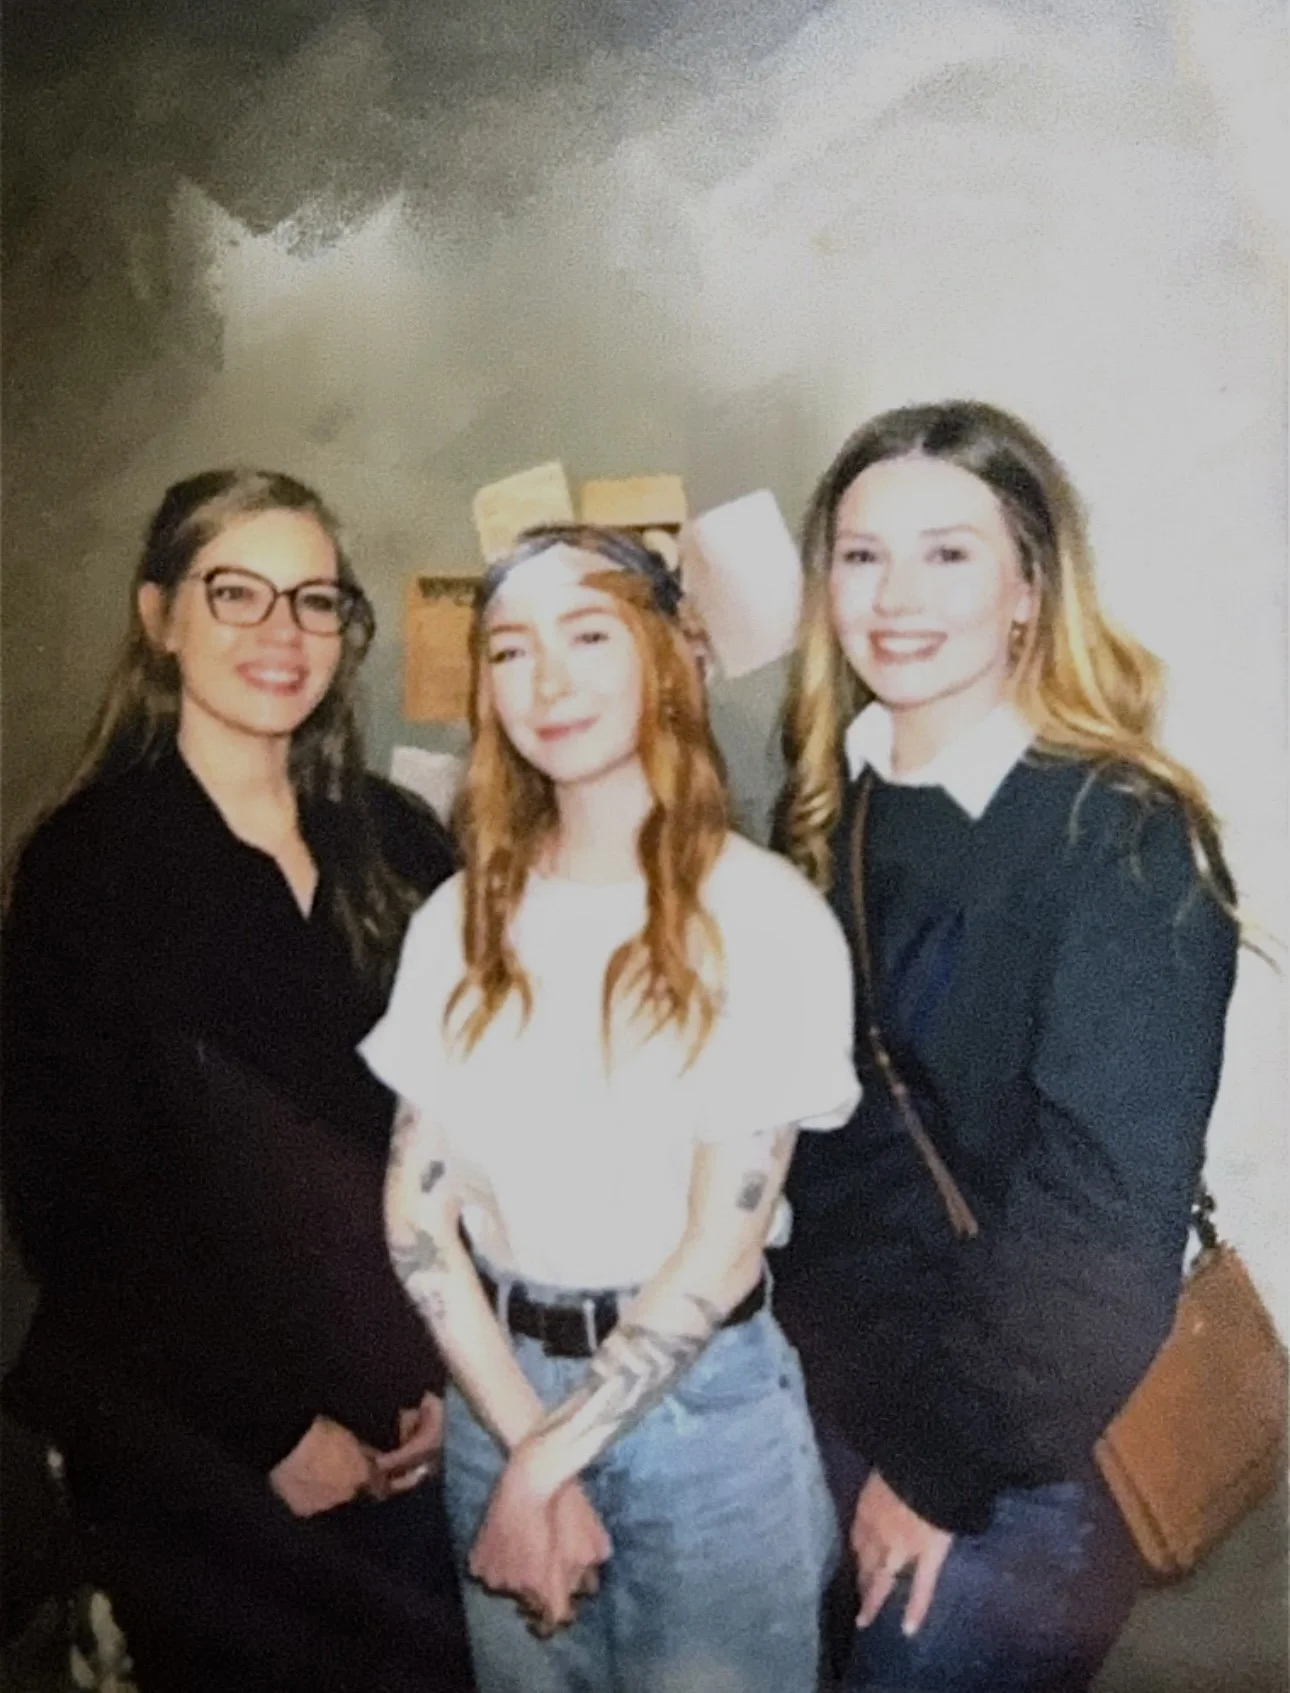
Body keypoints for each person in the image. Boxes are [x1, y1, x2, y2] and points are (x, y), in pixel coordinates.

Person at [771, 399, 1240, 1693]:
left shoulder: (1115, 836)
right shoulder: (828, 806)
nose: (896, 597)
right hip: (834, 1406)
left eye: (948, 553)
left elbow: (1102, 1224)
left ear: (1029, 588)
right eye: (862, 555)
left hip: (1015, 1463)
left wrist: (936, 1473)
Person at [360, 524, 860, 1693]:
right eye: (510, 649)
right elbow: (416, 1215)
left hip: (703, 1427)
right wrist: (522, 1447)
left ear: (667, 656)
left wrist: (542, 1470)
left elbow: (720, 1249)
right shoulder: (457, 921)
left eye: (588, 635)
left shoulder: (764, 918)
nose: (549, 681)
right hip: (497, 1394)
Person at [1, 469, 473, 1692]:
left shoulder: (403, 843)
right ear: (160, 615)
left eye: (313, 600)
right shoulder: (87, 866)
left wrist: (454, 1378)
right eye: (237, 593)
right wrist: (270, 1428)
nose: (281, 631)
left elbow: (469, 1131)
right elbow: (71, 1207)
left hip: (414, 1434)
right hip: (200, 1449)